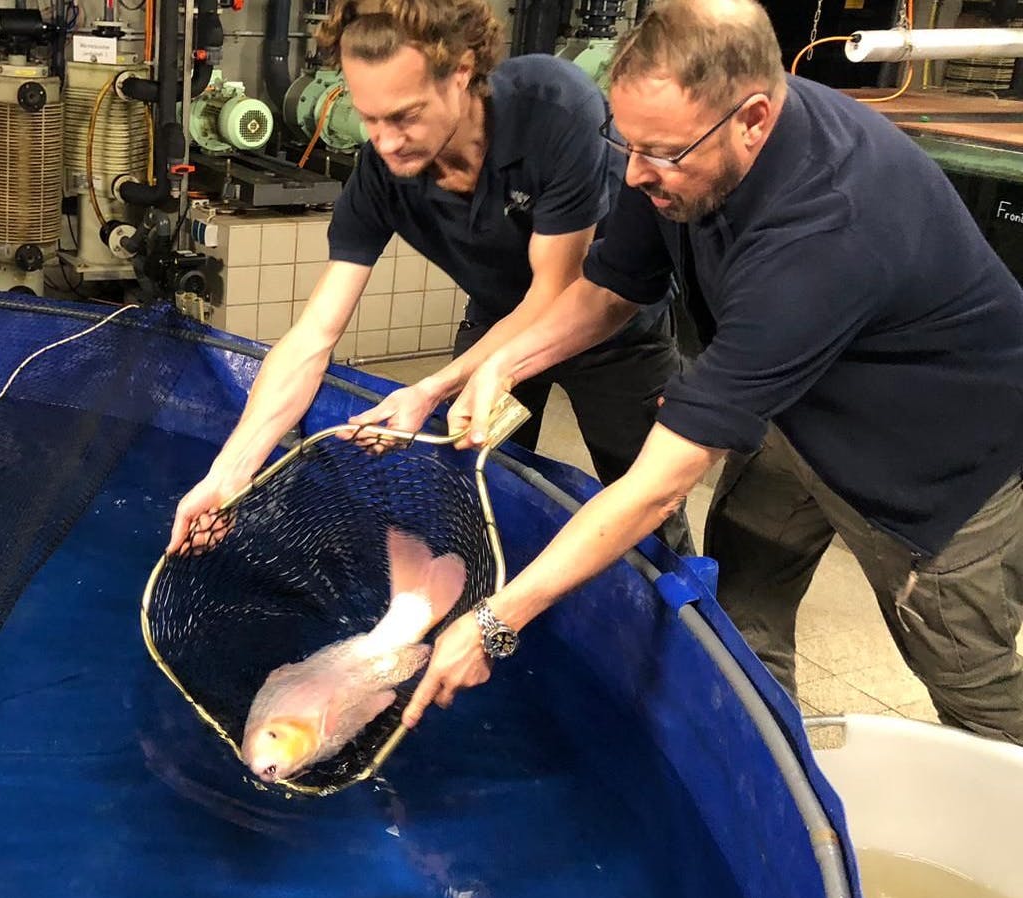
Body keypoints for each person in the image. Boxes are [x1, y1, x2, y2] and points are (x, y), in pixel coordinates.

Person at [408, 0, 1023, 745]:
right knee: (744, 610)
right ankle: (771, 771)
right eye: (625, 141)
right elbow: (609, 292)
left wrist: (494, 622)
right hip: (801, 412)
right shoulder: (675, 156)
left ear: (754, 118)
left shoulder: (829, 226)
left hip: (939, 466)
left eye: (659, 152)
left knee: (969, 679)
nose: (634, 174)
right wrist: (502, 363)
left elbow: (659, 483)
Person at [165, 0, 694, 557]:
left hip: (610, 328)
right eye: (369, 119)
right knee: (461, 493)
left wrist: (431, 386)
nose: (386, 142)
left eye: (404, 116)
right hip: (497, 318)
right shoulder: (379, 175)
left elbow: (555, 294)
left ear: (461, 72)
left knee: (648, 507)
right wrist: (230, 471)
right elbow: (312, 338)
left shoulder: (553, 108)